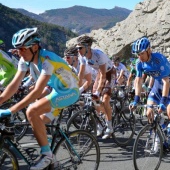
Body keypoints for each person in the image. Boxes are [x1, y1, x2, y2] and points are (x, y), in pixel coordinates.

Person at [0, 27, 79, 169]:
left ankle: (47, 155)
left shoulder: (47, 60)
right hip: (54, 90)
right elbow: (13, 85)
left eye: (22, 49)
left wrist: (11, 110)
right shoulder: (25, 61)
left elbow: (37, 91)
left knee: (31, 111)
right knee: (37, 123)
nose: (19, 53)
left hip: (68, 91)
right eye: (17, 49)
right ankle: (53, 160)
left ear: (34, 47)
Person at [128, 37, 170, 150]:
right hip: (157, 84)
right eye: (137, 54)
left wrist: (162, 102)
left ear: (148, 51)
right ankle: (159, 135)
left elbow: (166, 81)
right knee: (149, 112)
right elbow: (138, 81)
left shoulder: (159, 59)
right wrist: (136, 100)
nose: (139, 57)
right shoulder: (139, 63)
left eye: (141, 54)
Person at [76, 35, 116, 139]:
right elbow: (80, 74)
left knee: (105, 99)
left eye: (80, 48)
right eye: (77, 48)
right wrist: (78, 89)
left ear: (87, 47)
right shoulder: (82, 57)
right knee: (93, 100)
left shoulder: (98, 55)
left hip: (109, 73)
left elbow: (103, 75)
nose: (78, 50)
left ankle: (110, 126)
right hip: (99, 73)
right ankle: (99, 124)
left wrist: (98, 91)